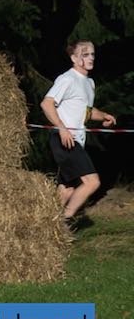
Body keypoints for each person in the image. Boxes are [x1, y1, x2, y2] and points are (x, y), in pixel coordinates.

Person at [39, 40, 117, 223]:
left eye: (92, 54)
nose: (91, 58)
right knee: (92, 182)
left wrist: (103, 116)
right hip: (64, 139)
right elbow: (47, 104)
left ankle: (45, 225)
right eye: (85, 54)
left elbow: (86, 111)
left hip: (76, 140)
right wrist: (62, 128)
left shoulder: (89, 83)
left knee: (67, 190)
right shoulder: (67, 79)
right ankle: (64, 221)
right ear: (74, 58)